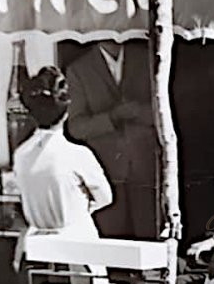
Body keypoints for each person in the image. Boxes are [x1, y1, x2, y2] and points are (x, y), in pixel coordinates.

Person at [64, 40, 159, 240]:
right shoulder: (79, 70)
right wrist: (112, 117)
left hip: (146, 167)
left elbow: (169, 111)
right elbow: (76, 127)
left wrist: (137, 112)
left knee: (151, 239)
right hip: (105, 172)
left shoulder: (150, 58)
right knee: (112, 242)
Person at [13, 66, 114, 249]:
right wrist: (79, 209)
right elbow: (105, 198)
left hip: (37, 244)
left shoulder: (21, 155)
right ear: (66, 113)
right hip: (77, 242)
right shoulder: (77, 155)